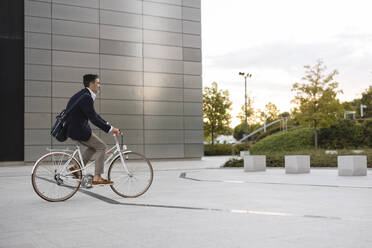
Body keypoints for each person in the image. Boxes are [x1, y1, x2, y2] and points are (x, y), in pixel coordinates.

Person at [66, 74, 119, 185]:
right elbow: (93, 118)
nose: (99, 86)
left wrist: (109, 125)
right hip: (79, 130)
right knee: (102, 147)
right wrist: (110, 129)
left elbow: (94, 115)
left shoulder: (82, 94)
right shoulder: (86, 97)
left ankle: (76, 168)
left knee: (93, 147)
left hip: (74, 128)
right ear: (91, 84)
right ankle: (97, 177)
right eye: (98, 83)